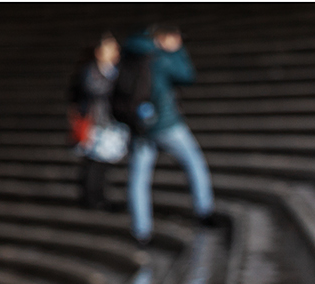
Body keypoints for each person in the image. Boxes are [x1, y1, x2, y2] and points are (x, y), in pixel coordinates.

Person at [121, 24, 214, 245]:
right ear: (164, 37)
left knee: (139, 179)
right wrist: (178, 51)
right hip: (166, 124)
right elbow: (187, 75)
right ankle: (204, 210)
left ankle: (141, 230)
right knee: (194, 162)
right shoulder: (159, 58)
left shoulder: (131, 53)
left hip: (139, 126)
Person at [66, 34, 122, 210]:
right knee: (93, 163)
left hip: (108, 123)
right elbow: (91, 90)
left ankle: (98, 197)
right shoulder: (91, 71)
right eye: (110, 47)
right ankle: (91, 198)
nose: (115, 51)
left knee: (102, 164)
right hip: (94, 123)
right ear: (98, 52)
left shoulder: (113, 71)